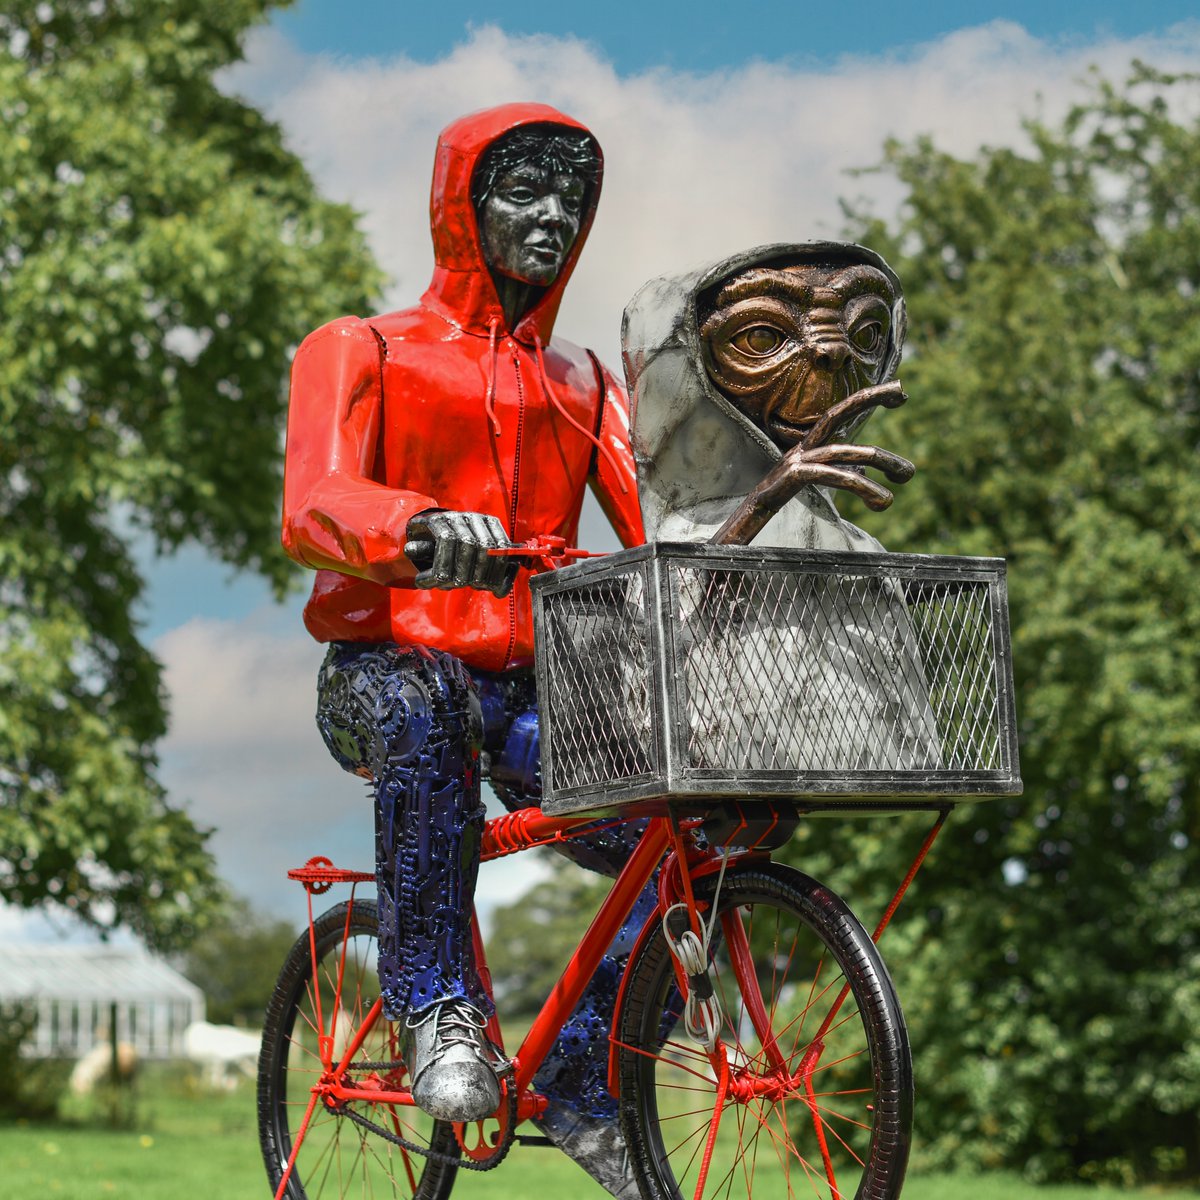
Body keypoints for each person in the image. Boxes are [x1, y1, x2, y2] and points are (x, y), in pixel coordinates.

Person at [281, 103, 644, 1197]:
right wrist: (417, 531)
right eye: (520, 190)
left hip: (531, 690)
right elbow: (314, 501)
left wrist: (781, 482)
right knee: (426, 711)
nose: (551, 216)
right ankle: (434, 1004)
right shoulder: (365, 347)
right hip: (381, 673)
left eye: (568, 198)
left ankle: (586, 1068)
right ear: (461, 208)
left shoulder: (583, 384)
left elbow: (664, 523)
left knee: (690, 821)